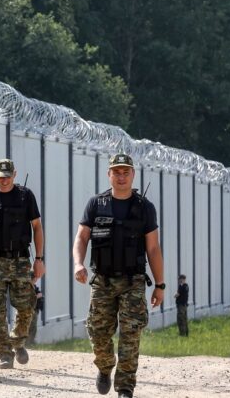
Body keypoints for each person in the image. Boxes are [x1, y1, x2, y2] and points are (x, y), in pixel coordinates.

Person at [72, 153, 164, 398]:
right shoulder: (95, 204)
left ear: (133, 174)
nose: (121, 177)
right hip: (102, 280)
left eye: (126, 172)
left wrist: (160, 284)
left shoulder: (145, 208)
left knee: (131, 334)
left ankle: (125, 387)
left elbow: (153, 248)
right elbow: (81, 237)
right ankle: (104, 366)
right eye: (117, 172)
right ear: (109, 175)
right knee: (98, 332)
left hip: (133, 281)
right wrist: (78, 264)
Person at [0, 159, 45, 369]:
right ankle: (5, 354)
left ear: (15, 174)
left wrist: (39, 259)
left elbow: (37, 227)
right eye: (0, 176)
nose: (4, 180)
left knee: (26, 306)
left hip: (21, 261)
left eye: (7, 176)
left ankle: (18, 341)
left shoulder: (25, 196)